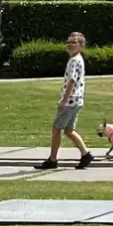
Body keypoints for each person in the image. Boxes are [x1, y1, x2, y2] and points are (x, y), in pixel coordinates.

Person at [37, 31, 94, 170]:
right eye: (68, 42)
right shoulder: (77, 59)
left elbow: (72, 81)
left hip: (71, 101)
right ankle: (85, 154)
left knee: (56, 129)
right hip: (77, 100)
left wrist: (64, 100)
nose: (70, 45)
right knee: (68, 130)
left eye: (73, 42)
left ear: (81, 45)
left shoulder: (74, 61)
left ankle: (52, 160)